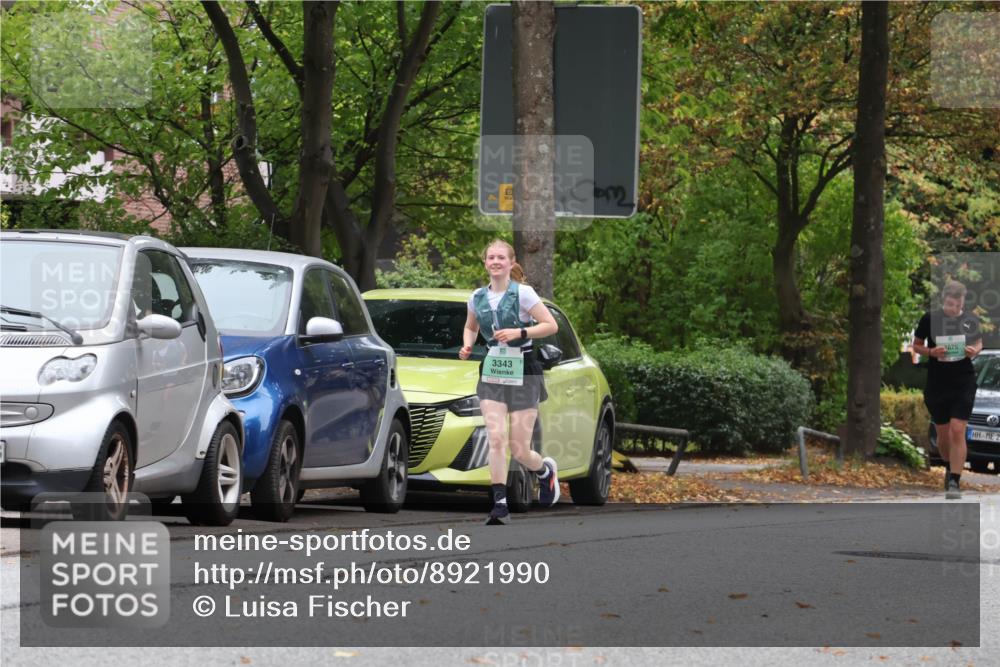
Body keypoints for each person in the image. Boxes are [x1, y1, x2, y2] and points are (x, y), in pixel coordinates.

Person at [459, 239, 560, 525]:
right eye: (490, 257)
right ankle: (500, 505)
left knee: (519, 448)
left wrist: (520, 332)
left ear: (512, 262)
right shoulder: (476, 297)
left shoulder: (524, 294)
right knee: (496, 439)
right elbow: (470, 326)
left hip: (524, 368)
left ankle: (544, 471)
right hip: (492, 368)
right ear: (485, 263)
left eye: (501, 257)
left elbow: (550, 325)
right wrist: (467, 345)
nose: (495, 261)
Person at [912, 280, 983, 500]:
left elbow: (979, 343)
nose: (953, 309)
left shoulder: (970, 320)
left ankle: (954, 480)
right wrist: (932, 352)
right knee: (943, 438)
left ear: (962, 302)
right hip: (937, 383)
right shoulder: (930, 319)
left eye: (957, 305)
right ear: (943, 300)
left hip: (963, 382)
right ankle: (950, 465)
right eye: (950, 304)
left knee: (957, 430)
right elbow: (916, 345)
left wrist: (974, 351)